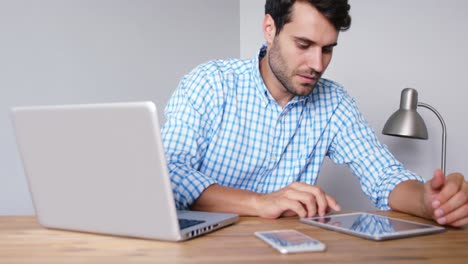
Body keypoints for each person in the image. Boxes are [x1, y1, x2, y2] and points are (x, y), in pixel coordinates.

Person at [161, 0, 468, 227]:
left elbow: (384, 175)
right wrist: (259, 202)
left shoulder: (333, 102)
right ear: (270, 29)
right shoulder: (211, 82)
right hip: (202, 249)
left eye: (327, 49)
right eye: (304, 44)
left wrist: (428, 202)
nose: (318, 64)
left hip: (284, 252)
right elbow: (170, 173)